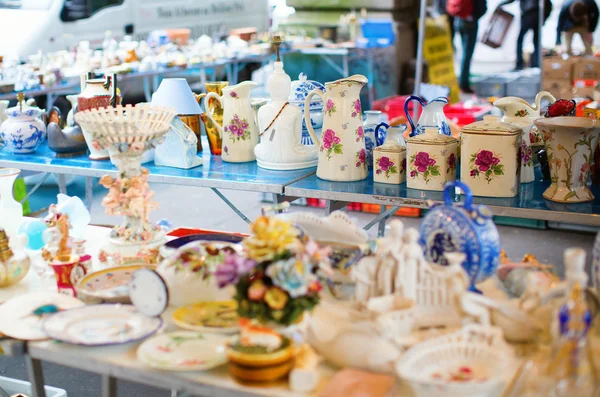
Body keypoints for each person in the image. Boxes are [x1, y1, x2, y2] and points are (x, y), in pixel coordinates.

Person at [498, 0, 552, 69]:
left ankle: (520, 64)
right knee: (536, 41)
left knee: (521, 39)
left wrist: (501, 4)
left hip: (529, 13)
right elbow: (549, 5)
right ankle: (536, 63)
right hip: (537, 14)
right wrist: (544, 18)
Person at [456, 0, 488, 93]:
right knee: (467, 54)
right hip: (470, 21)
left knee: (463, 53)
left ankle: (462, 80)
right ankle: (463, 83)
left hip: (459, 20)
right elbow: (482, 7)